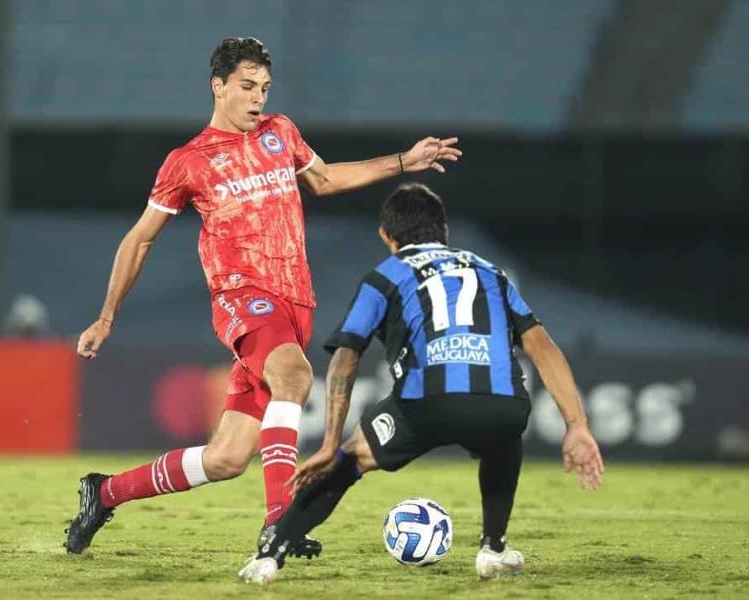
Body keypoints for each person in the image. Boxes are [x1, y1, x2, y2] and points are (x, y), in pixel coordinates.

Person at [63, 37, 462, 557]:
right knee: (294, 376)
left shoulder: (280, 132)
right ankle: (281, 524)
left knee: (227, 458)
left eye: (265, 88)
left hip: (295, 302)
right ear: (218, 86)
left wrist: (404, 161)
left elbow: (324, 179)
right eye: (248, 86)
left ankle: (104, 493)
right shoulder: (188, 162)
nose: (258, 98)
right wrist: (106, 317)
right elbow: (140, 239)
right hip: (242, 297)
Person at [238, 182, 604, 583]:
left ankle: (270, 557)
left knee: (349, 460)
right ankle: (493, 548)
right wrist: (577, 425)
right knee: (504, 437)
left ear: (386, 236)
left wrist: (329, 443)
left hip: (427, 404)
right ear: (443, 230)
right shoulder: (491, 272)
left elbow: (347, 354)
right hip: (503, 404)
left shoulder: (385, 276)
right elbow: (543, 347)